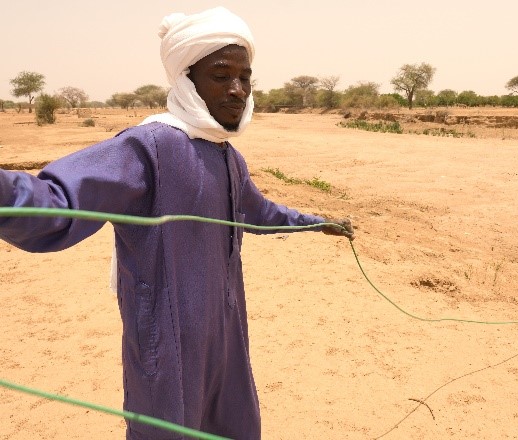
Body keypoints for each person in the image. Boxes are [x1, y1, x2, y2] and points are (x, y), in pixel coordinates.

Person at [0, 7, 353, 440]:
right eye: (221, 76)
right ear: (187, 80)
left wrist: (317, 224)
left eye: (245, 78)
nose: (238, 90)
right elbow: (55, 203)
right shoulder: (148, 147)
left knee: (232, 423)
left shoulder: (228, 157)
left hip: (225, 332)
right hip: (165, 340)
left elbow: (258, 212)